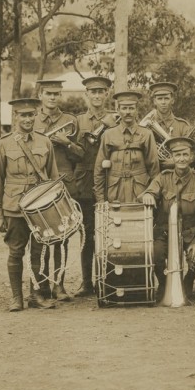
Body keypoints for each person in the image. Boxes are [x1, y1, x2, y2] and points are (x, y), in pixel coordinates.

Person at [0, 98, 59, 311]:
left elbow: (52, 178)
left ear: (36, 116)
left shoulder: (44, 142)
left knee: (40, 252)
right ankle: (16, 297)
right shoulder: (3, 144)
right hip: (15, 206)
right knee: (16, 251)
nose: (27, 119)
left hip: (40, 207)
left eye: (31, 115)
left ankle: (37, 295)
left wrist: (55, 206)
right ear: (15, 117)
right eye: (23, 115)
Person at [140, 136, 195, 299]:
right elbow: (150, 191)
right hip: (165, 231)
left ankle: (188, 281)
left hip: (191, 232)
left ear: (191, 157)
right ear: (172, 158)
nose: (181, 158)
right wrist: (149, 195)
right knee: (153, 253)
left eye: (184, 154)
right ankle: (164, 281)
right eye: (177, 155)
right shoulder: (163, 177)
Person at [31, 78, 84, 301]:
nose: (52, 97)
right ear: (41, 95)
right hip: (39, 184)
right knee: (39, 238)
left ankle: (58, 285)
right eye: (48, 93)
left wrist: (66, 143)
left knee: (62, 237)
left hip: (63, 183)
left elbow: (81, 154)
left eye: (56, 94)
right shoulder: (31, 121)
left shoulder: (70, 120)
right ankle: (40, 286)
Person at [72, 74, 116, 296]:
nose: (97, 95)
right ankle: (87, 282)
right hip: (85, 183)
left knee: (109, 233)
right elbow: (74, 153)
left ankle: (107, 280)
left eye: (101, 91)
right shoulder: (78, 121)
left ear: (107, 94)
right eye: (93, 92)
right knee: (87, 233)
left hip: (110, 182)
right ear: (86, 95)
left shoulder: (116, 119)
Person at [94, 90, 158, 205]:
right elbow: (99, 170)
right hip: (115, 194)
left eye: (131, 108)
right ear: (118, 110)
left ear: (137, 110)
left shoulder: (146, 134)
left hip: (140, 195)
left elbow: (154, 169)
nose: (127, 112)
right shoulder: (108, 135)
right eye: (124, 108)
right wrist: (100, 200)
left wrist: (151, 193)